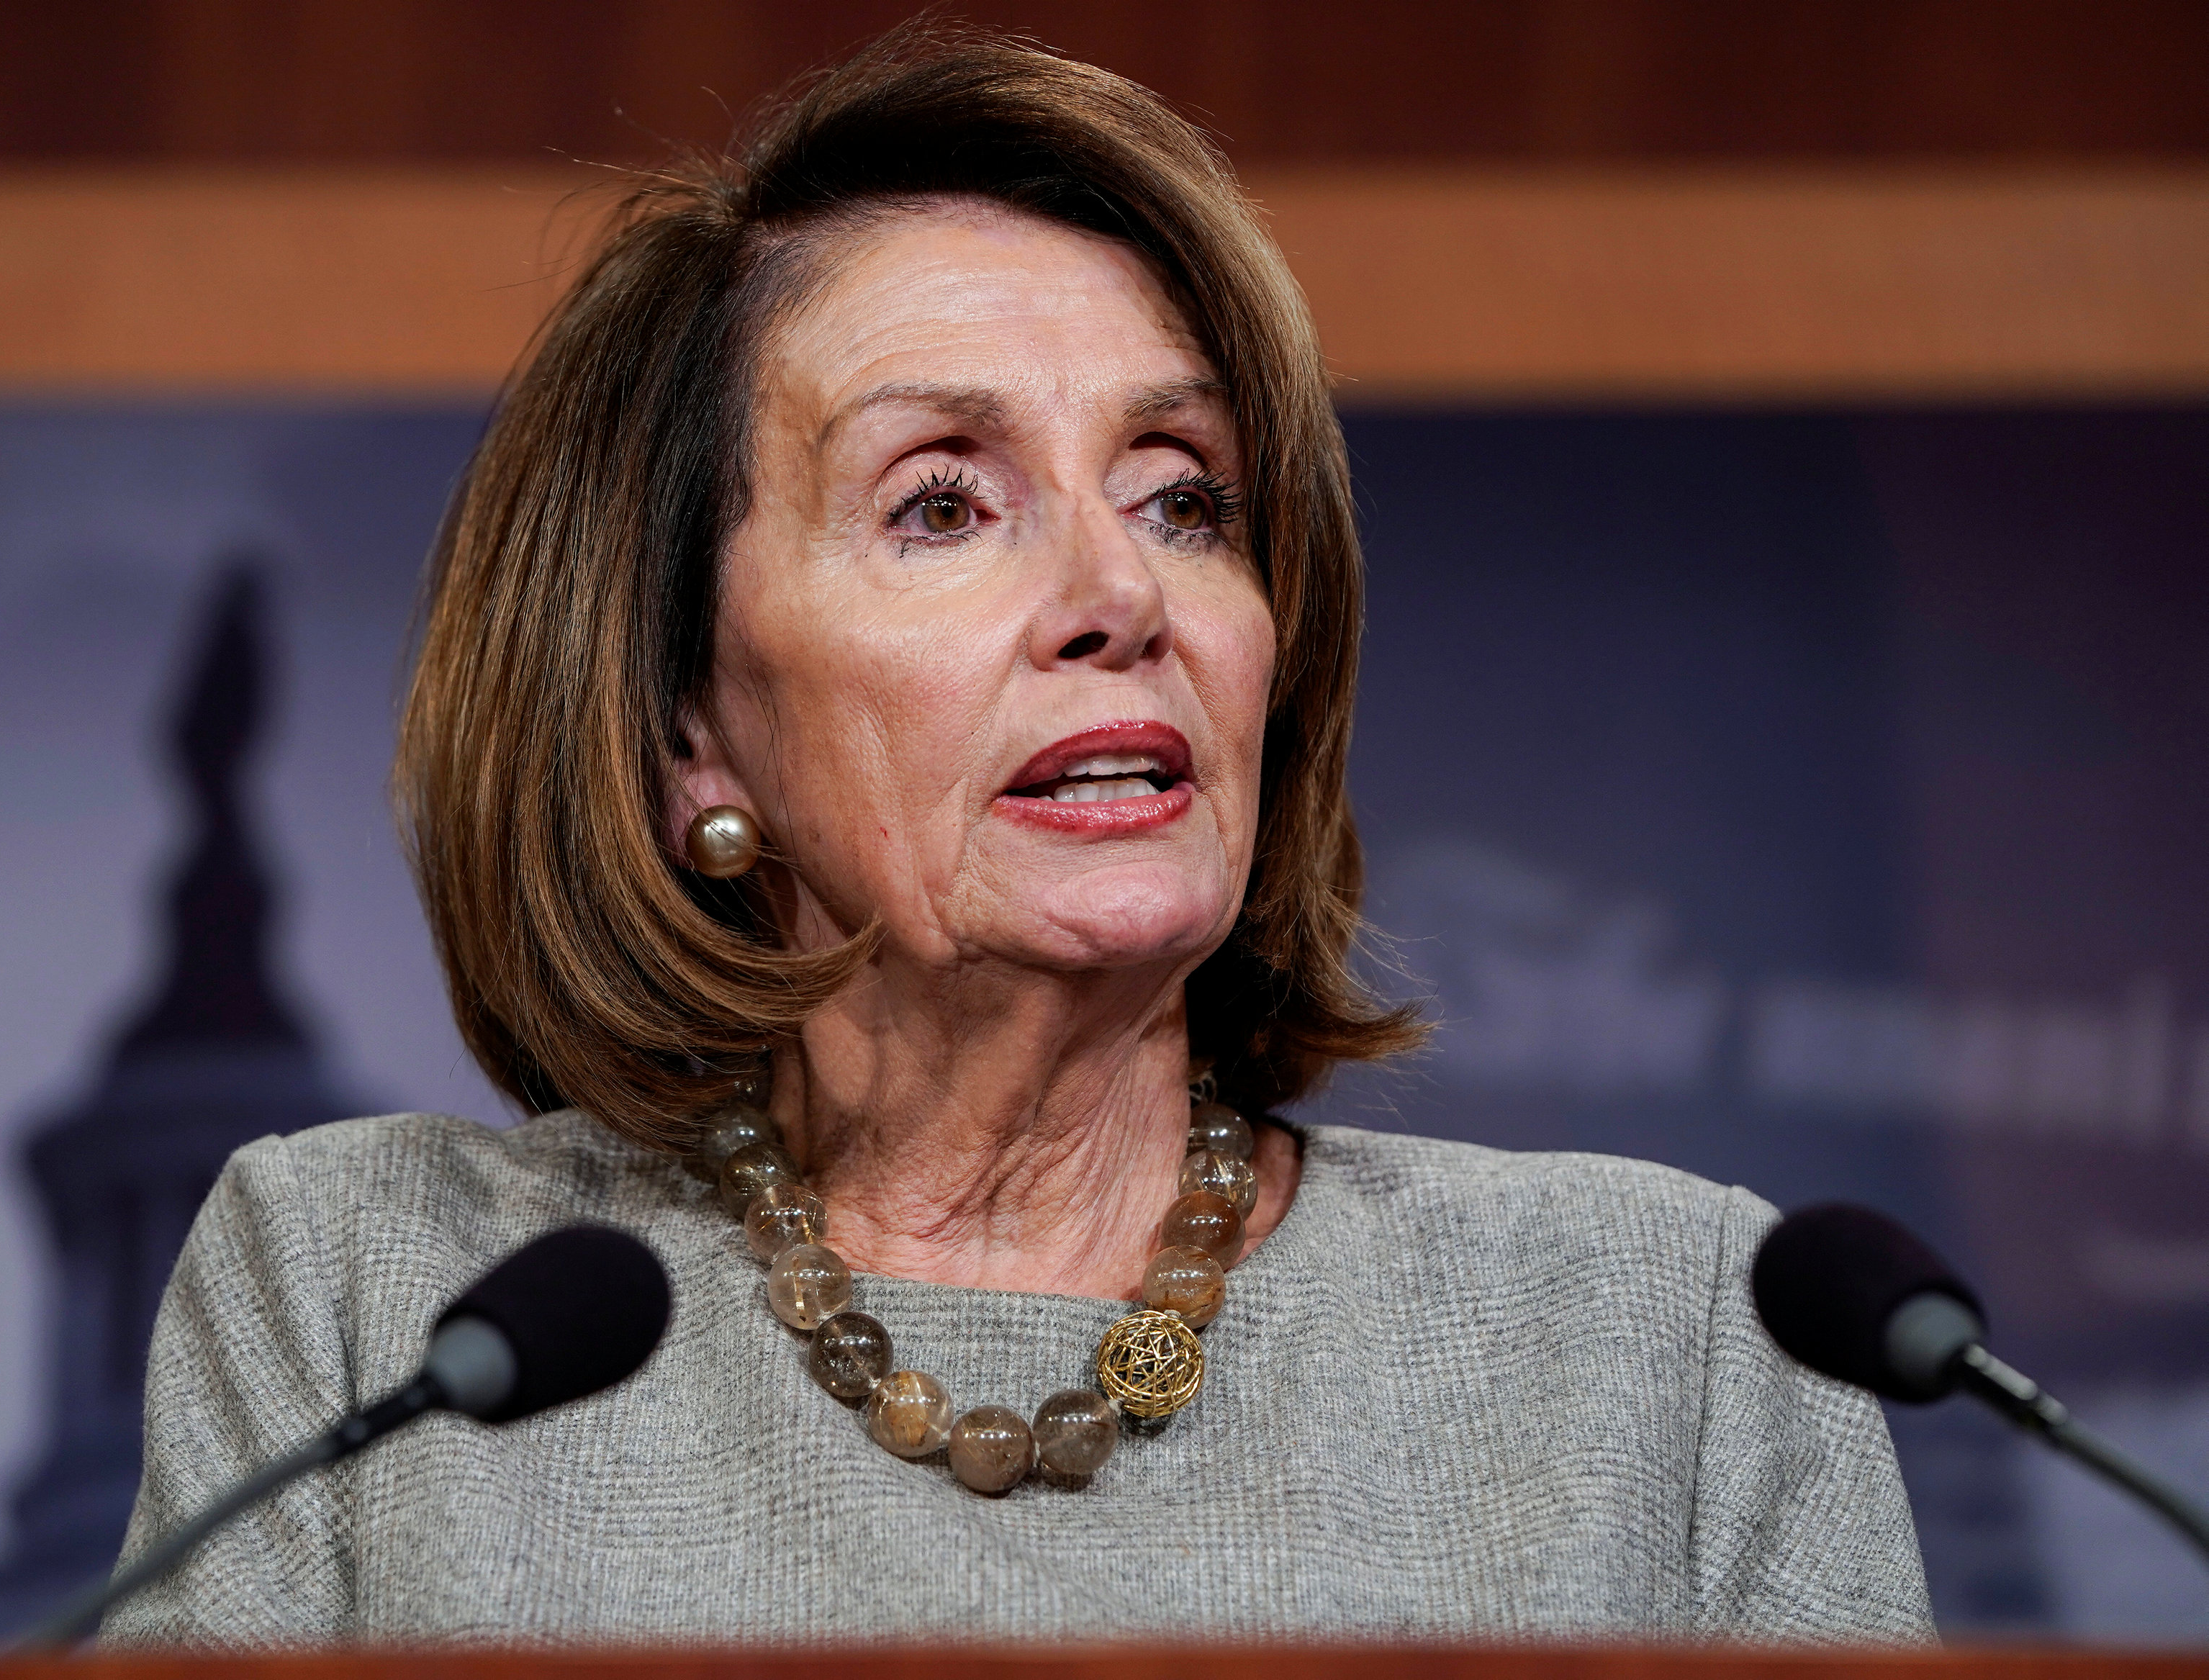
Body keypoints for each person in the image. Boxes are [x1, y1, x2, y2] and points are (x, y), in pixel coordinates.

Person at [103, 23, 1933, 1646]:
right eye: (944, 502)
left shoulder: (1673, 1342)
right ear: (686, 734)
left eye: (1184, 496)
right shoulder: (382, 1303)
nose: (1117, 589)